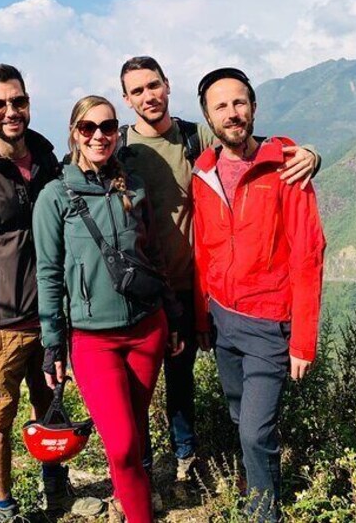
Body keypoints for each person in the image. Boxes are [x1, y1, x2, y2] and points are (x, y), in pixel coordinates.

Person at [117, 56, 320, 487]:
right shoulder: (125, 150)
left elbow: (306, 251)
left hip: (237, 304)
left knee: (224, 407)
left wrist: (309, 154)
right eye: (137, 91)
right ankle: (148, 471)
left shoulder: (206, 144)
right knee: (150, 387)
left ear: (168, 86)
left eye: (154, 85)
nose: (148, 96)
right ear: (127, 99)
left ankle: (235, 489)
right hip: (162, 293)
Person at [0, 64, 102, 522]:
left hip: (51, 319)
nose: (11, 111)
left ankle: (58, 495)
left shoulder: (49, 160)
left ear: (29, 101)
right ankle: (4, 509)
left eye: (19, 101)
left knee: (50, 410)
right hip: (0, 328)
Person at [34, 95, 183, 523]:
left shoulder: (132, 186)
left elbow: (151, 254)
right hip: (93, 338)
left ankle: (128, 500)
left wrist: (171, 315)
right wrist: (53, 344)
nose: (99, 135)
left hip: (146, 328)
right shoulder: (55, 197)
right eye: (88, 128)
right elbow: (48, 273)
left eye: (108, 127)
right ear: (74, 134)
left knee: (134, 435)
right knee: (119, 444)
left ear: (117, 133)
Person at [191, 67, 326, 521]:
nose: (232, 113)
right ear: (208, 117)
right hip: (223, 318)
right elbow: (203, 251)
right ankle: (257, 479)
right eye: (221, 106)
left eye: (239, 103)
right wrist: (201, 317)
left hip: (271, 323)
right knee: (237, 416)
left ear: (253, 107)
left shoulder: (285, 166)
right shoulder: (203, 173)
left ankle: (264, 513)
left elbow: (308, 254)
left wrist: (303, 340)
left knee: (253, 431)